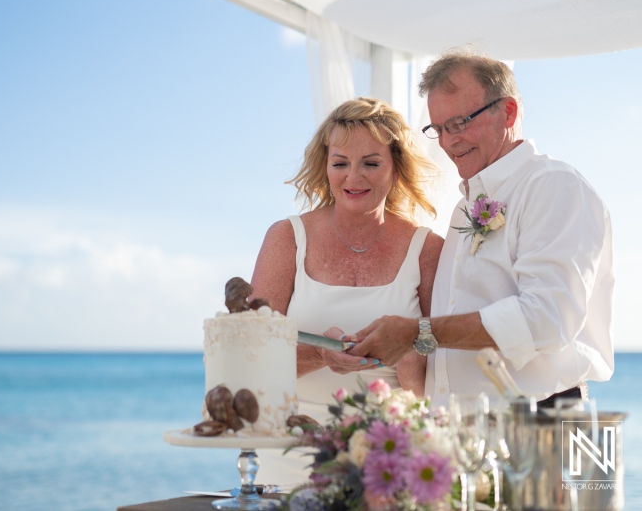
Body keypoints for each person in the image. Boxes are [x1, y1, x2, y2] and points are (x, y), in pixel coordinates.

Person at [347, 50, 614, 409]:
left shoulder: (554, 187)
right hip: (464, 433)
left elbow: (547, 318)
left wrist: (417, 333)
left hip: (539, 425)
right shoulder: (463, 206)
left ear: (508, 112)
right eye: (438, 129)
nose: (447, 142)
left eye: (459, 123)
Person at [250, 97, 443, 485]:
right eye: (340, 163)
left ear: (396, 167)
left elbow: (441, 376)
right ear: (326, 166)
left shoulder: (428, 249)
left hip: (390, 460)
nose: (354, 177)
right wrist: (322, 353)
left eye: (371, 163)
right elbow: (251, 359)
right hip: (290, 452)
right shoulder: (287, 238)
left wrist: (411, 361)